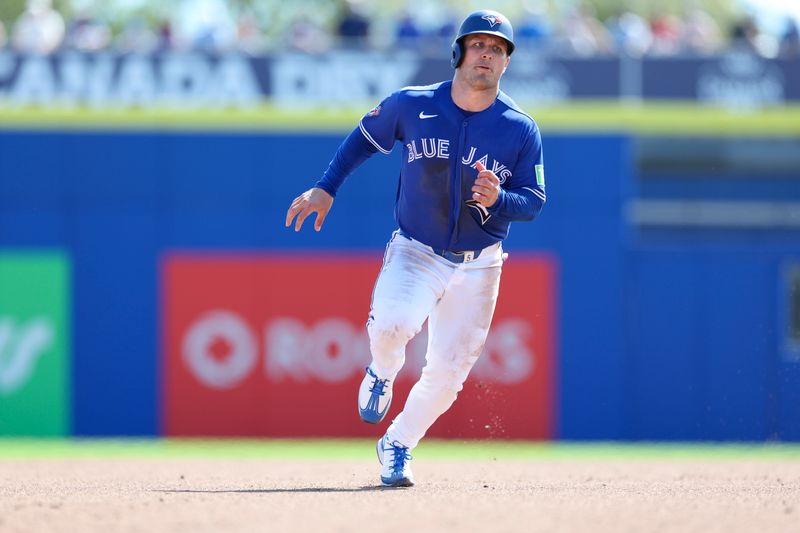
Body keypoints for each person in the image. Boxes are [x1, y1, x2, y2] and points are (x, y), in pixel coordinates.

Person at [285, 9, 546, 487]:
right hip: (416, 249)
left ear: (506, 62)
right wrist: (327, 187)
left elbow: (533, 200)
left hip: (479, 263)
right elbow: (362, 140)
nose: (486, 55)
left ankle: (398, 443)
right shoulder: (413, 103)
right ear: (458, 52)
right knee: (393, 325)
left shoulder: (519, 127)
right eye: (478, 45)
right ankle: (381, 371)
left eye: (497, 49)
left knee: (448, 375)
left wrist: (501, 199)